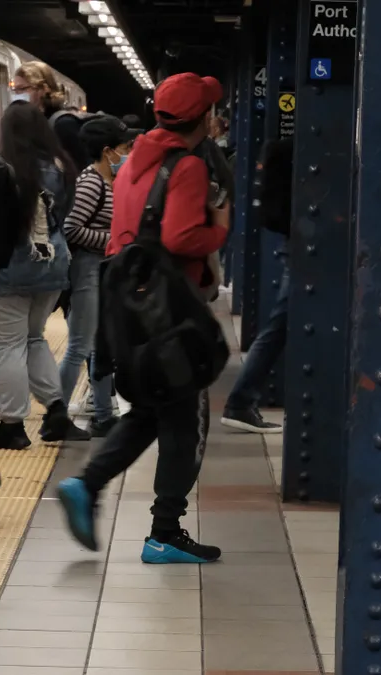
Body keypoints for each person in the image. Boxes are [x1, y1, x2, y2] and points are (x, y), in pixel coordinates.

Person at [57, 73, 230, 564]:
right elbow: (178, 239)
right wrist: (217, 231)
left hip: (131, 299)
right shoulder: (187, 165)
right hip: (169, 310)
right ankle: (164, 532)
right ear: (202, 118)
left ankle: (86, 484)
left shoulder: (136, 159)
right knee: (183, 417)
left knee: (155, 407)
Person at [0, 101, 82, 449]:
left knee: (8, 348)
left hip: (8, 270)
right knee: (33, 338)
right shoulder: (62, 167)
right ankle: (57, 411)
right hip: (51, 266)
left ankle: (13, 427)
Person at [58, 116, 133, 439]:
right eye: (123, 148)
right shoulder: (91, 182)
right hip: (88, 268)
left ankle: (104, 413)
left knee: (99, 346)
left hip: (101, 270)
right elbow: (71, 228)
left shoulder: (108, 181)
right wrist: (112, 240)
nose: (127, 153)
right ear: (107, 151)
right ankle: (56, 415)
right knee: (79, 345)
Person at [220, 136, 293, 434]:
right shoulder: (301, 147)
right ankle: (239, 401)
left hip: (295, 245)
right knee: (278, 327)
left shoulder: (286, 146)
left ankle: (241, 401)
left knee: (279, 326)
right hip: (306, 250)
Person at [12, 61, 88, 172]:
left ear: (43, 89)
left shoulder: (63, 124)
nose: (17, 95)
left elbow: (79, 169)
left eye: (23, 89)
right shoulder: (28, 123)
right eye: (15, 90)